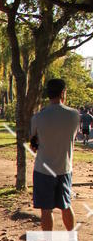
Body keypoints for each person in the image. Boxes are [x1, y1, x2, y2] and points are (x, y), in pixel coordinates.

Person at [30, 78, 80, 232]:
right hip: (64, 168)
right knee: (66, 205)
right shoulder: (74, 115)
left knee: (46, 210)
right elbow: (72, 138)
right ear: (63, 93)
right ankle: (72, 239)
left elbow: (33, 144)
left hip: (43, 169)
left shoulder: (38, 117)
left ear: (48, 94)